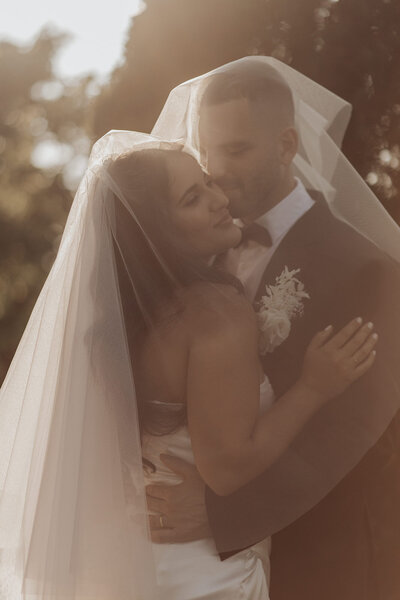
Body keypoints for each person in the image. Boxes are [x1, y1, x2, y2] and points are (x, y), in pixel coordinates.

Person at [0, 131, 376, 600]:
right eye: (193, 198)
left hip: (139, 557)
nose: (220, 199)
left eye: (206, 183)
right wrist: (313, 389)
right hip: (206, 570)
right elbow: (228, 468)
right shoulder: (215, 315)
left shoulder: (119, 324)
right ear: (158, 232)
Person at [150, 57, 400, 600]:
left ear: (287, 146)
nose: (215, 169)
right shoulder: (190, 255)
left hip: (317, 566)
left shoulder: (363, 268)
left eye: (237, 149)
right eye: (207, 150)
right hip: (185, 564)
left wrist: (226, 511)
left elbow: (363, 440)